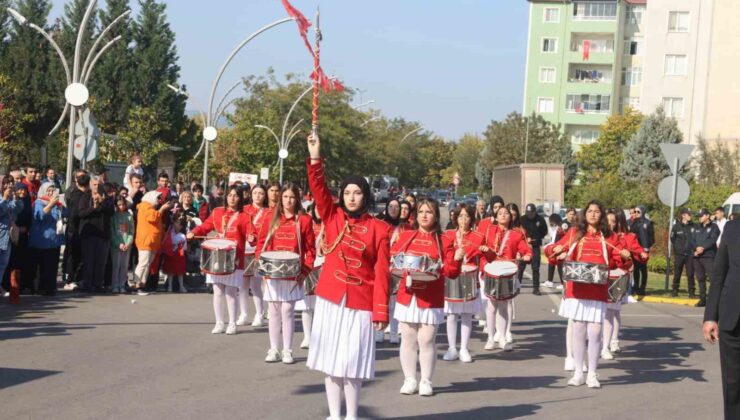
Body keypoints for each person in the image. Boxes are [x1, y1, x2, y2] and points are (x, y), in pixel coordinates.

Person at [306, 133, 391, 420]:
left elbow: (382, 273)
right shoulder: (331, 217)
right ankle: (334, 415)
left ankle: (352, 415)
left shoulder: (380, 228)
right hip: (331, 299)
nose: (351, 197)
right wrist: (315, 157)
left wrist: (381, 311)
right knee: (331, 361)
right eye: (347, 192)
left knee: (353, 363)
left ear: (365, 196)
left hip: (361, 303)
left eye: (357, 193)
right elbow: (317, 188)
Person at [545, 200, 629, 389]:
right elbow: (551, 249)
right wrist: (555, 249)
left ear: (601, 215)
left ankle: (592, 373)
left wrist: (624, 256)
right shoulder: (575, 233)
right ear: (585, 214)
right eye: (589, 211)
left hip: (597, 290)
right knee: (579, 330)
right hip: (577, 289)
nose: (593, 214)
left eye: (597, 211)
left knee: (595, 332)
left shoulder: (609, 237)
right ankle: (578, 372)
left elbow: (618, 262)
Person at [392, 198, 463, 396]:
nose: (424, 215)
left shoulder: (444, 240)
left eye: (429, 212)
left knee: (427, 339)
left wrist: (457, 259)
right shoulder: (406, 236)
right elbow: (394, 260)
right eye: (421, 211)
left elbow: (451, 272)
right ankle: (409, 379)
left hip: (431, 296)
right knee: (407, 338)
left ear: (436, 216)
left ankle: (426, 380)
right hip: (408, 294)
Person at [255, 182, 315, 363]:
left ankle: (287, 350)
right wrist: (261, 263)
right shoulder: (270, 217)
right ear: (280, 198)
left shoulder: (303, 220)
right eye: (285, 197)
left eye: (292, 197)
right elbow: (261, 244)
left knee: (288, 310)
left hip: (293, 273)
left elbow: (311, 250)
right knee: (273, 311)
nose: (288, 200)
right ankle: (274, 349)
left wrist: (304, 272)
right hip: (273, 272)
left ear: (297, 199)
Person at [189, 186, 253, 335]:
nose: (232, 198)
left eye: (235, 196)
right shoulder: (218, 211)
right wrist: (193, 232)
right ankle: (219, 322)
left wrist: (252, 237)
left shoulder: (244, 216)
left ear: (240, 198)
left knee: (231, 292)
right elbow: (206, 226)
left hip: (234, 257)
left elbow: (252, 232)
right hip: (217, 255)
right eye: (230, 195)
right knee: (217, 291)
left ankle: (232, 323)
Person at [479, 205, 533, 351]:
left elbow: (525, 249)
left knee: (503, 305)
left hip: (507, 272)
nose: (503, 215)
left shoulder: (516, 234)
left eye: (506, 213)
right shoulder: (489, 230)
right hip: (490, 270)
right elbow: (479, 244)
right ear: (496, 217)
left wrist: (527, 255)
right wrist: (482, 249)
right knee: (491, 306)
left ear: (511, 217)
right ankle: (490, 337)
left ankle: (502, 337)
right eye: (500, 213)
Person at [703, 218, 740, 419]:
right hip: (733, 319)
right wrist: (710, 317)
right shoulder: (733, 227)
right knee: (733, 385)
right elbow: (719, 273)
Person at [602, 208, 647, 360]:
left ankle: (612, 342)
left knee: (613, 310)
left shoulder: (628, 236)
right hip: (604, 274)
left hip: (619, 274)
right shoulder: (603, 235)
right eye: (609, 220)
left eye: (615, 221)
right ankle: (605, 341)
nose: (611, 223)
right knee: (605, 311)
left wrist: (641, 254)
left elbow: (636, 250)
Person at [442, 204, 484, 362]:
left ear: (471, 218)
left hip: (469, 277)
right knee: (452, 315)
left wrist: (485, 250)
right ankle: (452, 347)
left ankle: (464, 348)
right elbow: (445, 255)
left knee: (467, 315)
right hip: (453, 277)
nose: (463, 219)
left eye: (467, 216)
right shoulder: (448, 235)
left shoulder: (478, 236)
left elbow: (487, 256)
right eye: (460, 216)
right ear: (455, 218)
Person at [29, 182, 66, 296]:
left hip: (54, 241)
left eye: (52, 190)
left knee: (52, 266)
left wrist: (60, 206)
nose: (50, 193)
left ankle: (51, 288)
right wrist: (50, 204)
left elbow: (66, 213)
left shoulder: (57, 204)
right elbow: (40, 215)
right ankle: (39, 287)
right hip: (41, 240)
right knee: (41, 267)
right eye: (48, 190)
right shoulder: (39, 203)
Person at [296, 203, 323, 349]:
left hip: (324, 267)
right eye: (316, 208)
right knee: (306, 304)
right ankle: (307, 336)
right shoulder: (306, 223)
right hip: (309, 266)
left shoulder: (330, 225)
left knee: (320, 305)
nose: (319, 211)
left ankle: (318, 337)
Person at [78, 184, 114, 293]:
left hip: (103, 235)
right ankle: (87, 284)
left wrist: (101, 202)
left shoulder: (107, 200)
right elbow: (81, 214)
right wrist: (92, 208)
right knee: (88, 261)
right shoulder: (85, 198)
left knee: (100, 262)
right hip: (89, 234)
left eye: (98, 186)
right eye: (94, 185)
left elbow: (111, 212)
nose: (96, 188)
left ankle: (98, 284)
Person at [242, 184, 270, 326]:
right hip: (244, 250)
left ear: (265, 196)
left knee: (256, 284)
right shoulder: (245, 210)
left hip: (259, 251)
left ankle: (259, 314)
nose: (258, 196)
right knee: (243, 284)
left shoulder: (268, 212)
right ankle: (244, 313)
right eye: (255, 193)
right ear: (251, 195)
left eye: (261, 193)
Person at [133, 191, 171, 296]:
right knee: (143, 263)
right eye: (158, 198)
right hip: (146, 241)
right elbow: (153, 218)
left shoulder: (150, 207)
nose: (159, 201)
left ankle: (142, 284)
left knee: (147, 264)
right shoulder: (145, 206)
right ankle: (137, 284)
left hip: (151, 242)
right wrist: (162, 209)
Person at [692, 208, 721, 307]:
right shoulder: (696, 227)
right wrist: (696, 248)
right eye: (699, 216)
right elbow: (691, 240)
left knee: (713, 278)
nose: (699, 218)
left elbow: (713, 239)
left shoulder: (714, 227)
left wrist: (703, 248)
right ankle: (702, 299)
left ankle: (715, 300)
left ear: (707, 216)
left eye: (702, 216)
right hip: (697, 256)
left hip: (708, 256)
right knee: (700, 278)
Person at [521, 203, 547, 296]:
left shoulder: (540, 219)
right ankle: (517, 286)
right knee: (521, 267)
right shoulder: (522, 219)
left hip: (535, 246)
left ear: (535, 212)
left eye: (531, 213)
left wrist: (538, 237)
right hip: (524, 246)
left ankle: (536, 288)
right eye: (528, 213)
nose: (529, 215)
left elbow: (545, 231)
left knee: (535, 268)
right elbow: (519, 232)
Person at [110, 197, 134, 294]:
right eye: (119, 205)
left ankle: (122, 284)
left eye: (123, 204)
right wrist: (118, 243)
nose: (121, 206)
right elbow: (112, 232)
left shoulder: (128, 216)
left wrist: (128, 243)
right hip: (116, 246)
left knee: (124, 266)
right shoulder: (114, 217)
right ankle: (115, 285)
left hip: (126, 244)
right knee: (116, 266)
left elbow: (131, 231)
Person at [670, 209, 696, 297]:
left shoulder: (694, 226)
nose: (690, 216)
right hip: (679, 254)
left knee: (690, 273)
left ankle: (691, 292)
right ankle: (675, 290)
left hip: (690, 254)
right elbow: (672, 238)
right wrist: (678, 248)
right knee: (677, 273)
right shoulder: (676, 226)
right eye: (688, 214)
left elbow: (696, 238)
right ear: (683, 215)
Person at [629, 205, 654, 295]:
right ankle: (636, 287)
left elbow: (652, 237)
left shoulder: (648, 223)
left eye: (638, 212)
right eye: (635, 212)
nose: (636, 213)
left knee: (643, 269)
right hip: (635, 249)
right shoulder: (633, 223)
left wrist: (647, 246)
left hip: (644, 249)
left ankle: (642, 288)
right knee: (635, 269)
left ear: (643, 212)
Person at [0, 178, 17, 298]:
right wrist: (5, 199)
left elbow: (16, 212)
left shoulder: (11, 198)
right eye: (6, 183)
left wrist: (15, 198)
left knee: (3, 264)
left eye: (10, 183)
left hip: (8, 234)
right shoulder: (3, 198)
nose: (8, 186)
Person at [162, 216, 187, 293]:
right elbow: (167, 242)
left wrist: (180, 245)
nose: (176, 225)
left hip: (179, 255)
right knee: (170, 272)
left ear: (181, 226)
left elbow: (184, 247)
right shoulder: (170, 234)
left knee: (180, 272)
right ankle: (169, 286)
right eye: (175, 223)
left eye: (178, 224)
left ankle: (181, 286)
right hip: (171, 254)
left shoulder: (182, 236)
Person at [544, 213, 565, 289]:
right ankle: (550, 281)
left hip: (558, 248)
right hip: (554, 247)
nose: (550, 223)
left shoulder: (559, 228)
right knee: (551, 263)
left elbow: (556, 240)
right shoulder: (555, 228)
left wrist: (550, 247)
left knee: (559, 265)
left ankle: (563, 283)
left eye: (551, 221)